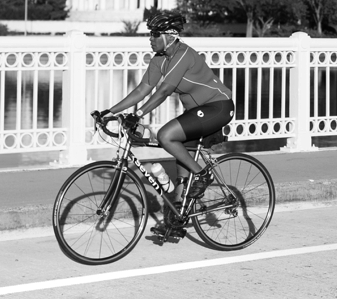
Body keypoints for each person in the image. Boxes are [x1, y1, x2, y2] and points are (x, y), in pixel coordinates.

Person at [100, 12, 236, 198]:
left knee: (165, 135)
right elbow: (142, 90)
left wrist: (137, 115)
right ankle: (176, 221)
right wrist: (109, 112)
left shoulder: (183, 55)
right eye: (151, 34)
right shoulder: (159, 59)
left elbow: (163, 91)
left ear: (170, 37)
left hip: (218, 107)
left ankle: (203, 175)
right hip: (196, 111)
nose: (150, 38)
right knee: (181, 173)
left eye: (156, 34)